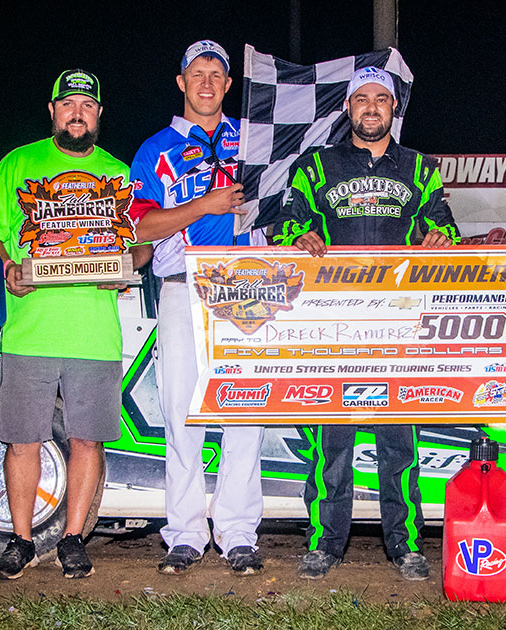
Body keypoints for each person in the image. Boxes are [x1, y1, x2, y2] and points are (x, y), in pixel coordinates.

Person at [275, 67, 460, 581]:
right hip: (331, 328)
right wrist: (298, 237)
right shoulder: (315, 167)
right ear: (348, 109)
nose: (372, 108)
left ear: (393, 108)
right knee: (329, 445)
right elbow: (285, 222)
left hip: (397, 329)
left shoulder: (420, 169)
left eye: (382, 99)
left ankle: (405, 546)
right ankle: (323, 544)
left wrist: (441, 237)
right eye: (362, 100)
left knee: (399, 444)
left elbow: (443, 225)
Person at [0, 69, 127, 580]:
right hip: (30, 330)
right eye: (68, 104)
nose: (77, 112)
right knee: (23, 439)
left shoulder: (120, 173)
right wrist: (5, 267)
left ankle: (74, 539)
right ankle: (20, 540)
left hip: (94, 333)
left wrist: (128, 266)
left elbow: (142, 240)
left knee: (88, 440)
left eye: (86, 104)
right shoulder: (18, 163)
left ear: (98, 114)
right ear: (53, 110)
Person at [128, 40, 267, 576]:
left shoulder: (255, 141)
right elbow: (137, 228)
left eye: (217, 73)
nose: (207, 82)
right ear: (181, 82)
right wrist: (201, 206)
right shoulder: (155, 148)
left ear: (229, 84)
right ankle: (184, 532)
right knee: (183, 412)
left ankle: (237, 532)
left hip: (250, 286)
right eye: (196, 73)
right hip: (184, 284)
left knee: (246, 409)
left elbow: (285, 203)